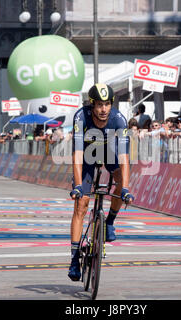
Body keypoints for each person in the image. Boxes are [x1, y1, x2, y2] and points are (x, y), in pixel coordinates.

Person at [68, 83, 135, 281]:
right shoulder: (81, 117)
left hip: (110, 152)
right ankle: (73, 258)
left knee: (121, 183)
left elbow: (124, 157)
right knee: (81, 204)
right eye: (99, 105)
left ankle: (110, 223)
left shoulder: (119, 119)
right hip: (87, 156)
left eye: (107, 104)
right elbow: (78, 154)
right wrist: (78, 186)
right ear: (91, 105)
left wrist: (126, 189)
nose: (103, 109)